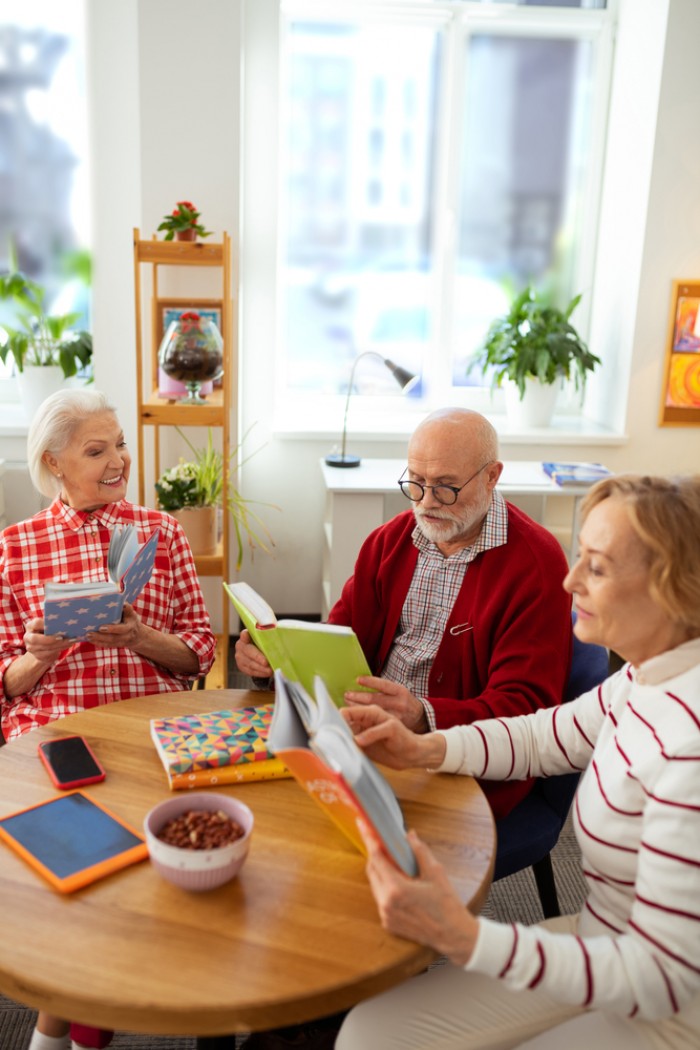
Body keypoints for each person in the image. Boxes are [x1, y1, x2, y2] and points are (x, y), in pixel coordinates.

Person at [334, 473, 700, 1050]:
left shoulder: (690, 747)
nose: (569, 579)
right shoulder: (643, 677)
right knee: (367, 1032)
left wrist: (465, 938)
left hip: (666, 1006)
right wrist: (425, 747)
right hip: (603, 940)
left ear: (675, 590)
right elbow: (542, 735)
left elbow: (660, 979)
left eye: (596, 567)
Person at [0, 389, 217, 1050]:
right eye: (97, 450)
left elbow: (200, 655)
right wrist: (38, 655)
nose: (120, 459)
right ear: (54, 463)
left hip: (150, 725)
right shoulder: (15, 547)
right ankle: (74, 1015)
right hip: (57, 731)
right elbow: (5, 685)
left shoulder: (163, 531)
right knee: (80, 854)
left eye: (119, 443)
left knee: (125, 849)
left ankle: (62, 1023)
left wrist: (139, 638)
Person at [236, 407, 573, 819]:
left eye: (446, 487)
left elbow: (525, 709)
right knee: (263, 802)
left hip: (460, 760)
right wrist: (273, 660)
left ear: (491, 476)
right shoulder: (389, 541)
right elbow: (338, 637)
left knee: (329, 832)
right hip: (366, 731)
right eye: (415, 483)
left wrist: (422, 716)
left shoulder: (537, 565)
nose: (427, 502)